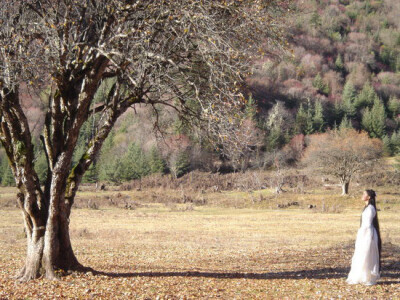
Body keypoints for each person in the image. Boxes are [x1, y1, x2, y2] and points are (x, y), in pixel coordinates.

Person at [346, 189, 382, 285]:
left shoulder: (370, 208)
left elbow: (367, 224)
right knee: (361, 254)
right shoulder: (367, 207)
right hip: (364, 232)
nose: (362, 195)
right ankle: (360, 276)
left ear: (369, 197)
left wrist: (364, 235)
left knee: (367, 254)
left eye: (364, 194)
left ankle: (368, 277)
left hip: (368, 233)